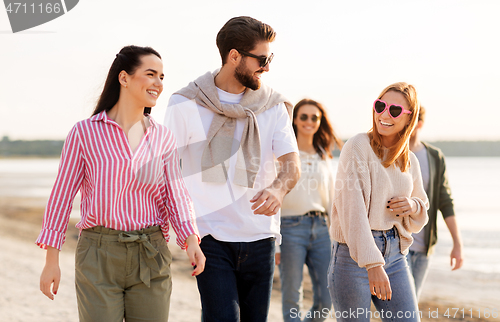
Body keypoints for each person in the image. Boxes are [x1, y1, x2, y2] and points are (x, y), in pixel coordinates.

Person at [37, 45, 205, 322]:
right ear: (124, 78)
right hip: (98, 254)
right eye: (151, 74)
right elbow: (61, 196)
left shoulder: (162, 137)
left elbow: (176, 195)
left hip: (151, 253)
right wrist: (51, 260)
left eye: (162, 77)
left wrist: (190, 240)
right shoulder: (84, 133)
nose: (158, 83)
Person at [164, 16, 300, 322]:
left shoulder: (273, 105)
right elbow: (168, 173)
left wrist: (278, 189)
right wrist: (183, 234)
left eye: (270, 58)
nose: (267, 67)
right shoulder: (185, 103)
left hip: (260, 236)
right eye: (262, 59)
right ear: (234, 56)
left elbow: (292, 166)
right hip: (208, 236)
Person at [327, 82, 429, 322]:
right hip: (352, 257)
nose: (384, 114)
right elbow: (352, 211)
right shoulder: (357, 146)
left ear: (409, 118)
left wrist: (412, 206)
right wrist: (372, 264)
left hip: (395, 254)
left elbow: (421, 208)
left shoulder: (409, 160)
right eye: (380, 106)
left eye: (394, 110)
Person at [275, 99, 342, 322]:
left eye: (315, 117)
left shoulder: (324, 154)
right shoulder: (282, 153)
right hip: (290, 228)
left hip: (322, 229)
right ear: (294, 119)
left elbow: (331, 198)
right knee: (292, 296)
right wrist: (275, 240)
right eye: (304, 116)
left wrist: (337, 236)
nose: (309, 122)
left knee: (327, 298)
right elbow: (275, 194)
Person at [407, 105, 464, 300]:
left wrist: (457, 243)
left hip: (424, 248)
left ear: (418, 124)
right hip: (396, 246)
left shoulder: (434, 157)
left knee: (410, 305)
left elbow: (445, 201)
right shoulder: (389, 154)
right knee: (404, 310)